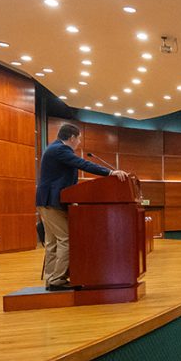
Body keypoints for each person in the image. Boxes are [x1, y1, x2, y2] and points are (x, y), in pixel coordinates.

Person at [36, 123, 128, 291]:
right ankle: (57, 280)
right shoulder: (61, 150)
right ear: (71, 137)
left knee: (53, 242)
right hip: (52, 202)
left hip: (47, 201)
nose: (79, 142)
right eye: (78, 138)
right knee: (66, 239)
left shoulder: (54, 148)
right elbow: (83, 164)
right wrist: (110, 173)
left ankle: (52, 279)